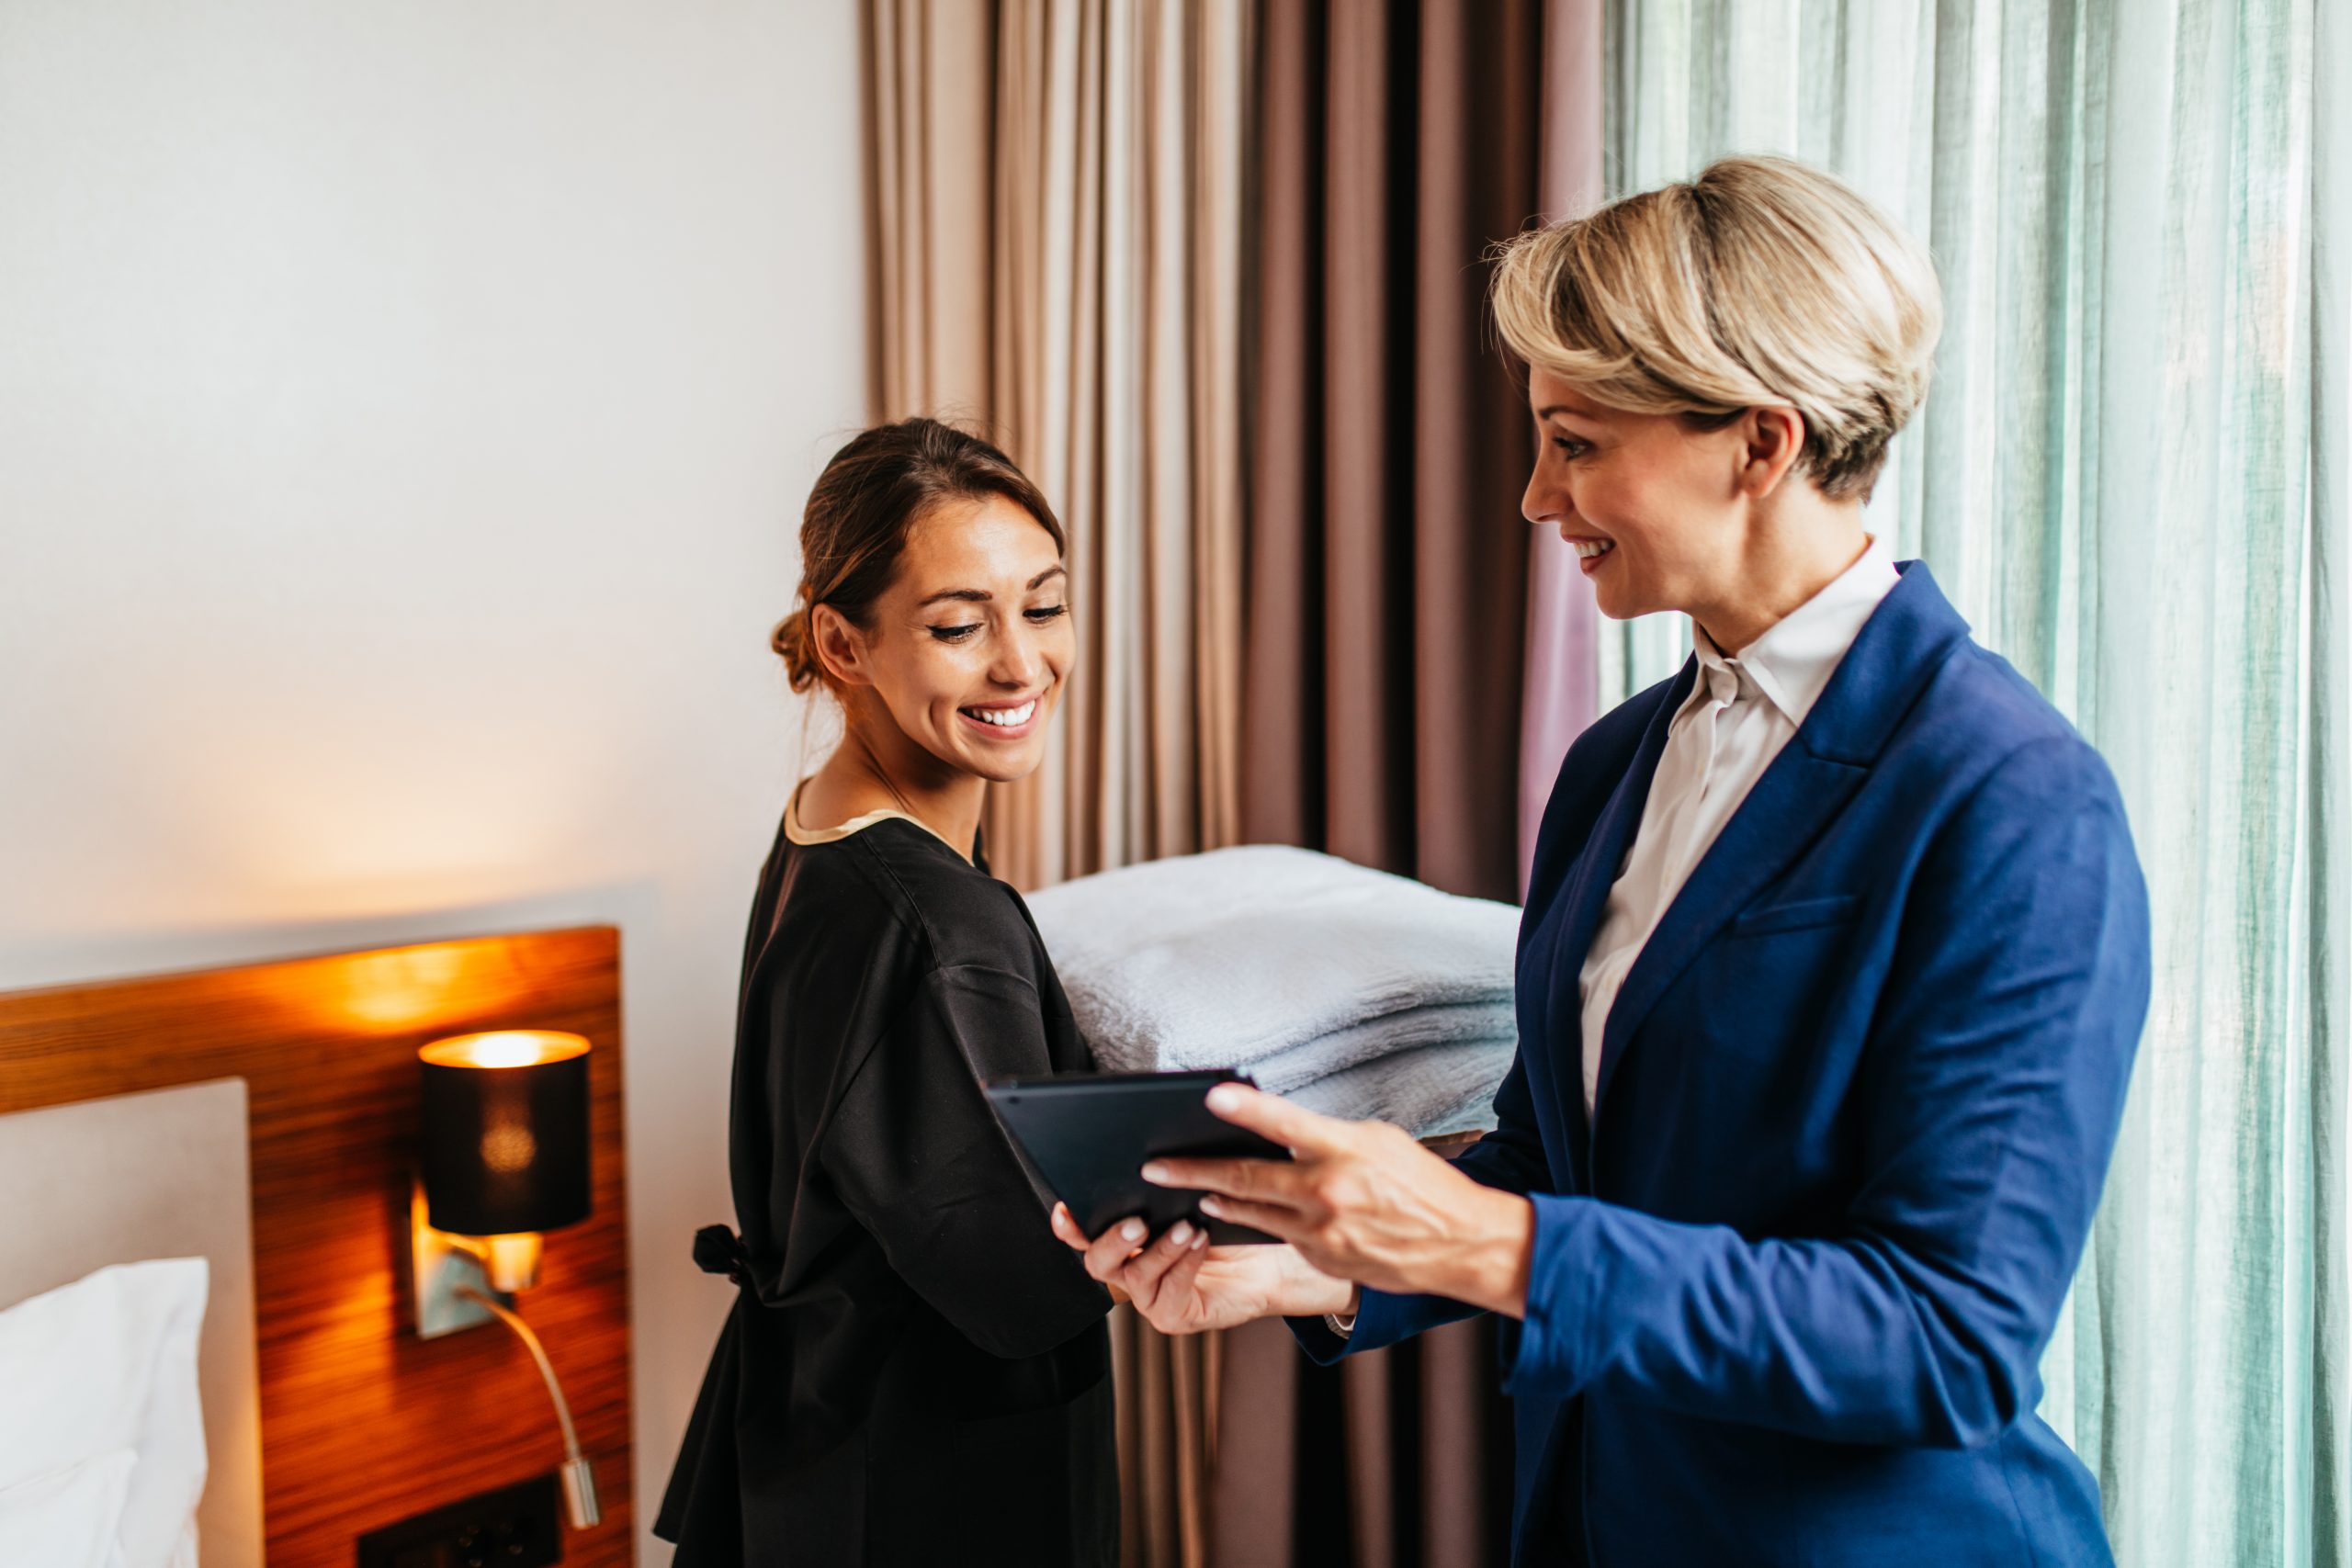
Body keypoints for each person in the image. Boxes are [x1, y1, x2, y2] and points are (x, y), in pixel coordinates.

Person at [1054, 155, 2151, 1567]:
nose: (1533, 496)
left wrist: (1481, 1245)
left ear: (1761, 443)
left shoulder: (2014, 797)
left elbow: (1948, 1337)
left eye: (1574, 442)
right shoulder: (1615, 764)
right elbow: (1551, 1156)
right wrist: (1308, 1263)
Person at [659, 418, 1122, 1566]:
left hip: (819, 1433)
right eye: (959, 626)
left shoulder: (819, 827)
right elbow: (1027, 1281)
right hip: (931, 1482)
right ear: (843, 642)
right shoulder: (938, 926)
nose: (1021, 665)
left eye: (1045, 606)